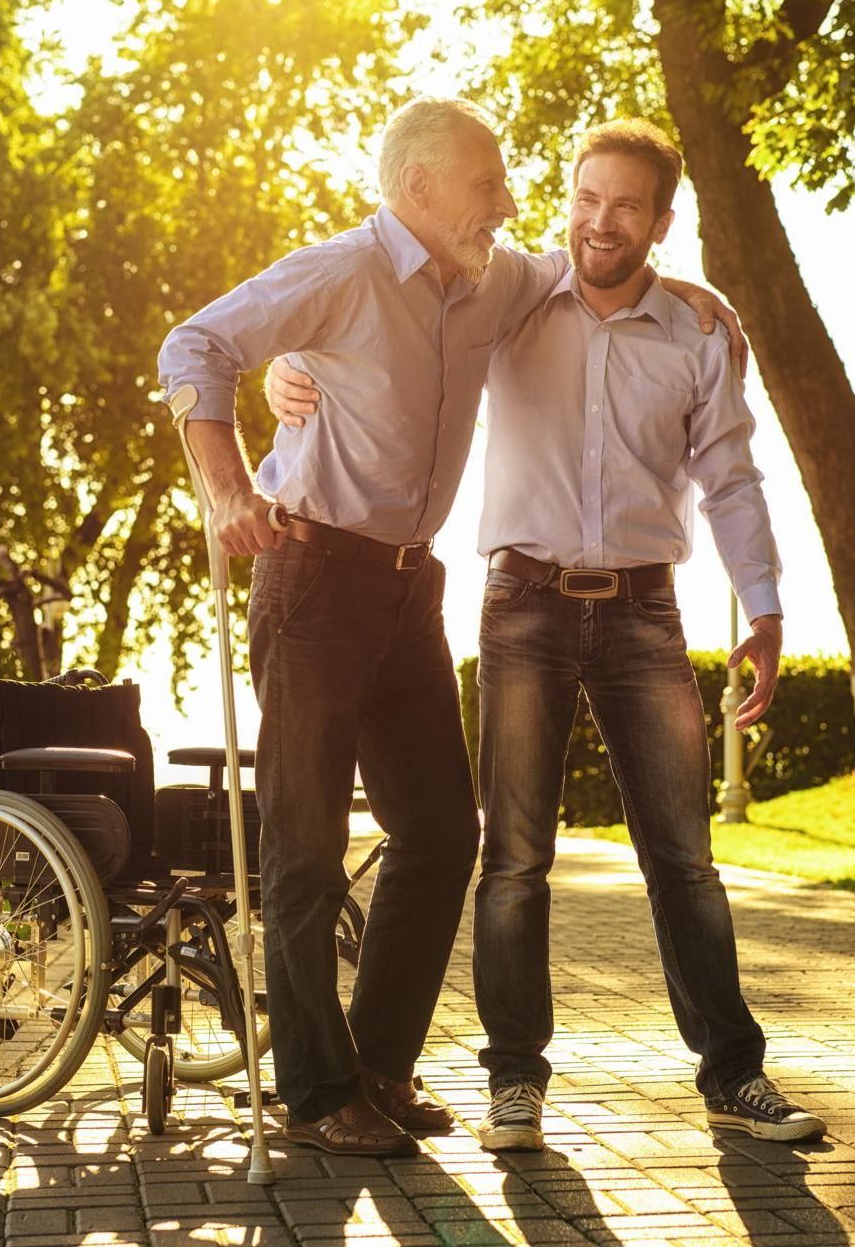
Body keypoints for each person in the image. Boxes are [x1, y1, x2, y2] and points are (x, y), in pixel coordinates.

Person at [159, 97, 743, 1158]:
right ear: (417, 188)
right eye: (489, 184)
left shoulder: (495, 279)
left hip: (406, 587)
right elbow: (195, 343)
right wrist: (227, 486)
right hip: (311, 577)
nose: (510, 204)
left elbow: (591, 272)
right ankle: (317, 1093)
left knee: (440, 831)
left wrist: (686, 291)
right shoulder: (337, 273)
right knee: (303, 848)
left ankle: (379, 1066)